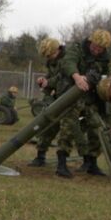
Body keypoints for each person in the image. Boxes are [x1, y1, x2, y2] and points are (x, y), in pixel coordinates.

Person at [42, 29, 111, 178]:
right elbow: (68, 63)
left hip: (91, 97)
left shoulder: (104, 58)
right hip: (70, 93)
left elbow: (105, 75)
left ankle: (92, 163)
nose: (96, 51)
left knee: (97, 128)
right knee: (68, 127)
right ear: (90, 42)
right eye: (94, 47)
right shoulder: (77, 49)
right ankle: (61, 165)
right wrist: (77, 77)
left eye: (100, 49)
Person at [27, 37, 63, 166]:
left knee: (69, 131)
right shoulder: (52, 62)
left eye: (51, 54)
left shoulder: (67, 60)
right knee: (47, 126)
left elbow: (64, 77)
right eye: (47, 56)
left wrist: (50, 82)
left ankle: (87, 162)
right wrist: (44, 80)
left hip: (69, 99)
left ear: (58, 49)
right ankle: (40, 156)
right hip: (56, 98)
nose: (50, 58)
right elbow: (52, 77)